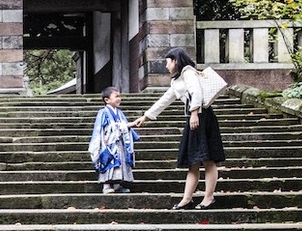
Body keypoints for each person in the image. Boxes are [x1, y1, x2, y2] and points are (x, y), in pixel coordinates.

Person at [133, 47, 226, 210]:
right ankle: (187, 199)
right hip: (194, 117)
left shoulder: (188, 72)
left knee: (207, 159)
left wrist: (195, 113)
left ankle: (208, 198)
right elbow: (165, 99)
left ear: (175, 61)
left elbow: (196, 92)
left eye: (168, 62)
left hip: (202, 116)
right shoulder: (177, 81)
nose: (166, 66)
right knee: (193, 161)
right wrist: (146, 116)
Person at [89, 86, 138, 194]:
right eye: (116, 96)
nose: (119, 99)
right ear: (107, 100)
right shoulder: (103, 112)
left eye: (119, 96)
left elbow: (123, 125)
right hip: (108, 142)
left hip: (119, 142)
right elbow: (101, 128)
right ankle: (106, 185)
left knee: (120, 162)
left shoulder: (119, 113)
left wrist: (130, 126)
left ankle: (117, 184)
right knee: (108, 161)